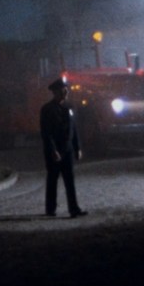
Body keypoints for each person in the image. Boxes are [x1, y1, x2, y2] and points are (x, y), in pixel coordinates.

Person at [40, 77, 87, 218]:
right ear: (55, 92)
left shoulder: (70, 107)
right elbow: (46, 132)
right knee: (52, 180)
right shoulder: (47, 109)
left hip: (67, 150)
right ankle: (50, 209)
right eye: (63, 90)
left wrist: (77, 147)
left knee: (70, 181)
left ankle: (74, 209)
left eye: (66, 89)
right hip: (54, 151)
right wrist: (53, 150)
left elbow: (74, 129)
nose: (66, 92)